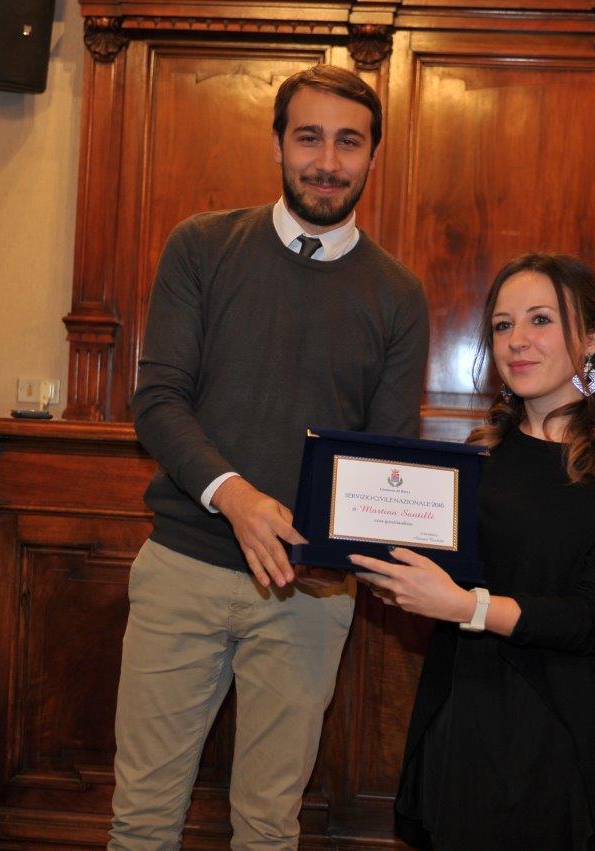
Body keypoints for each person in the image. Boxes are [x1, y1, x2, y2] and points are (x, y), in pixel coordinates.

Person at [111, 65, 429, 849]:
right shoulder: (201, 245)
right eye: (309, 137)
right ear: (278, 144)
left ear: (373, 156)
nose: (327, 160)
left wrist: (369, 547)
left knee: (267, 827)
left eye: (348, 142)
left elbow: (386, 456)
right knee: (142, 820)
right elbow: (158, 400)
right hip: (183, 566)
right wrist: (238, 497)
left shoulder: (398, 295)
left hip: (310, 593)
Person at [349, 253, 595, 850]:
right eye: (502, 325)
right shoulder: (473, 461)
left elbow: (594, 617)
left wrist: (465, 606)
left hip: (560, 730)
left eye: (540, 320)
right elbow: (437, 579)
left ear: (593, 340)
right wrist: (385, 570)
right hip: (462, 712)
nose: (516, 341)